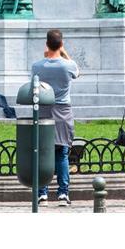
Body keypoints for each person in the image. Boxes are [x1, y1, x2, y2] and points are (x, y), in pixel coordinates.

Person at [31, 29, 79, 206]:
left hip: (43, 110)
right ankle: (63, 194)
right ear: (61, 44)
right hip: (63, 111)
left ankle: (42, 194)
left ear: (46, 44)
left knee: (43, 153)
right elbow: (77, 72)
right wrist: (64, 52)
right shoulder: (68, 65)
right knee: (62, 153)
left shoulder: (36, 66)